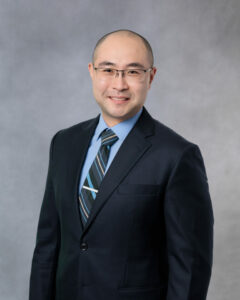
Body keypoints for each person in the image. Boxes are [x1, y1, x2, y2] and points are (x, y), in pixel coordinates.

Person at [29, 29, 214, 300]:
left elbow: (190, 267)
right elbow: (47, 246)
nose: (119, 84)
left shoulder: (177, 156)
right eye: (108, 70)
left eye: (133, 71)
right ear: (92, 72)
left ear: (150, 77)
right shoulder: (64, 143)